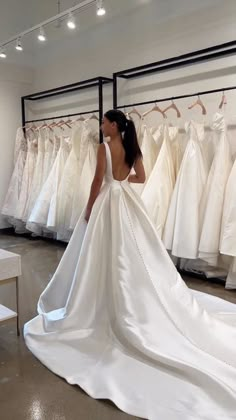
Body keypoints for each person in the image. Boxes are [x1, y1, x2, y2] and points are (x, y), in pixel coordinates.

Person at [24, 110, 236, 420]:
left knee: (103, 252)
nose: (101, 125)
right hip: (125, 201)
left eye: (104, 122)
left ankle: (99, 303)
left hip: (108, 200)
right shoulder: (132, 147)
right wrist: (123, 182)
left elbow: (98, 181)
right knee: (133, 252)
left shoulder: (104, 146)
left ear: (112, 124)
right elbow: (142, 177)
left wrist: (88, 207)